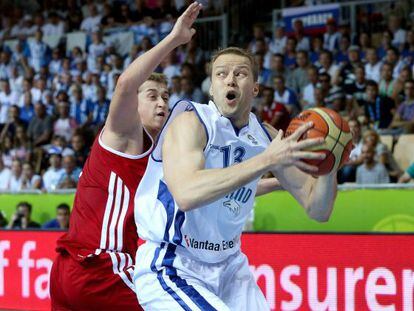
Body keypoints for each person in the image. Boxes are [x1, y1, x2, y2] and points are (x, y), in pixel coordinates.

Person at [134, 3, 337, 310]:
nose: (230, 80)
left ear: (254, 88)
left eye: (240, 74)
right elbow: (187, 193)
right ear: (212, 88)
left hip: (229, 267)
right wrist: (266, 162)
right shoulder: (191, 121)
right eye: (221, 74)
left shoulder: (266, 136)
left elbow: (317, 209)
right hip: (174, 263)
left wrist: (331, 162)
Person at [49, 3, 175, 310]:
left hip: (68, 270)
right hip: (102, 267)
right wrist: (173, 39)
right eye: (153, 96)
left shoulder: (160, 153)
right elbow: (125, 84)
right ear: (135, 103)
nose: (162, 103)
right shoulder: (125, 135)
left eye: (166, 97)